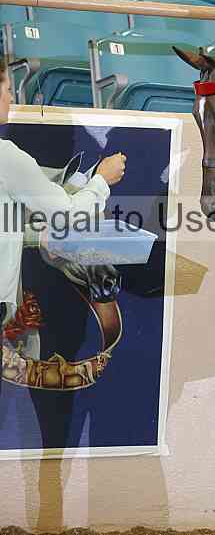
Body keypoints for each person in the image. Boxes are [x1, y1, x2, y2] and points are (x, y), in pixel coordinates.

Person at [0, 58, 127, 379]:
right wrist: (102, 181)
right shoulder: (6, 156)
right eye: (7, 89)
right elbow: (67, 213)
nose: (12, 98)